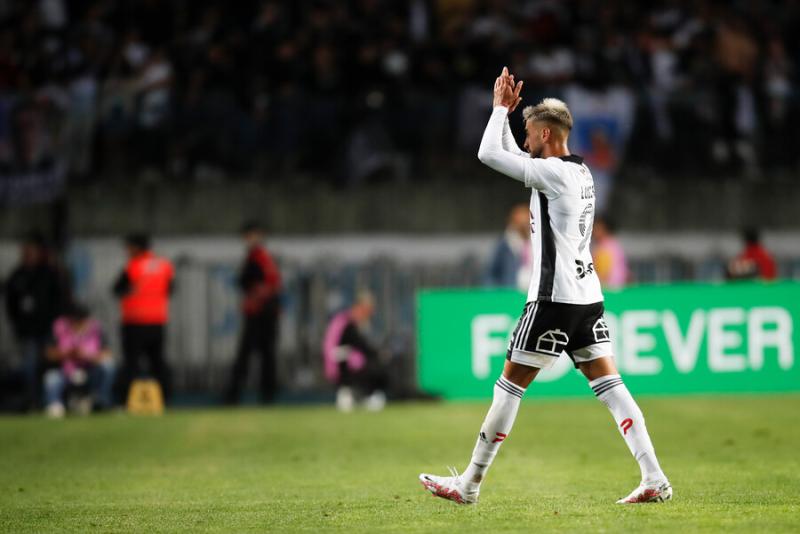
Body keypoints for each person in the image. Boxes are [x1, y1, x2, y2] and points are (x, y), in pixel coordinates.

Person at [419, 68, 671, 505]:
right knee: (612, 388)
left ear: (549, 135)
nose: (526, 143)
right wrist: (511, 118)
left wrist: (499, 108)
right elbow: (508, 153)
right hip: (587, 297)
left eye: (531, 135)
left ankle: (469, 485)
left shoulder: (553, 173)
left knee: (509, 387)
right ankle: (654, 477)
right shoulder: (580, 172)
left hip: (553, 300)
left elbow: (486, 154)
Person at [4, 232, 65, 409]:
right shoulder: (18, 275)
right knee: (29, 366)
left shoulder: (49, 273)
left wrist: (55, 323)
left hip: (47, 328)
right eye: (26, 252)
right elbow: (11, 303)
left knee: (48, 364)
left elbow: (58, 299)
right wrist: (17, 324)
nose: (28, 255)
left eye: (32, 251)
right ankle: (32, 400)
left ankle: (51, 400)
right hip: (27, 331)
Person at [224, 222, 282, 404]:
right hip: (266, 311)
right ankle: (266, 396)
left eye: (249, 235)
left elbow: (249, 282)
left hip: (260, 312)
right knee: (265, 355)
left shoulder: (257, 257)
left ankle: (235, 396)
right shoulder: (263, 257)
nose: (247, 240)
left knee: (247, 355)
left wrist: (254, 294)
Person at [113, 234, 174, 404]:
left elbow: (117, 289)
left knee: (131, 363)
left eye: (128, 247)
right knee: (158, 363)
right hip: (157, 322)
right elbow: (171, 289)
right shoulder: (164, 265)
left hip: (135, 322)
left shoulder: (133, 266)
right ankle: (165, 400)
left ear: (136, 248)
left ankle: (125, 401)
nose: (127, 251)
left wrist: (132, 293)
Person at [42, 302, 115, 418]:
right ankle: (54, 404)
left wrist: (87, 355)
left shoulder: (95, 328)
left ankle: (101, 400)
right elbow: (48, 353)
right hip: (66, 370)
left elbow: (107, 353)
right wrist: (68, 354)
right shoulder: (59, 327)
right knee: (52, 378)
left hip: (89, 369)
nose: (79, 323)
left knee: (108, 365)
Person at [322, 291, 389, 412]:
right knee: (372, 365)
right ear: (358, 307)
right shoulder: (346, 324)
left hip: (345, 362)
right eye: (367, 310)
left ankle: (360, 395)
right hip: (339, 366)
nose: (369, 314)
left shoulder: (349, 323)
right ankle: (356, 393)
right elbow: (357, 346)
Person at [485, 204, 532, 291]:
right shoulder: (505, 244)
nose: (524, 227)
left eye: (526, 223)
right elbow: (491, 274)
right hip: (511, 291)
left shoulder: (539, 242)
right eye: (520, 224)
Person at [592, 217, 629, 289]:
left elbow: (603, 273)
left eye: (597, 228)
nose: (594, 231)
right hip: (619, 288)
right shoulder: (614, 244)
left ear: (605, 229)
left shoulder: (604, 247)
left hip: (608, 289)